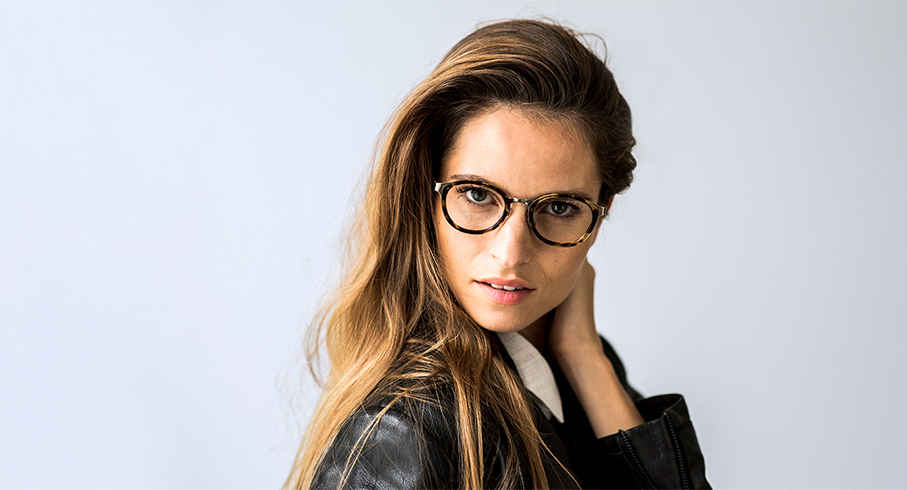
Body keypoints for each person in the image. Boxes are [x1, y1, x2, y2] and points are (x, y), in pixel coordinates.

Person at [284, 19, 710, 489]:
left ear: (601, 210)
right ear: (426, 194)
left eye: (559, 207)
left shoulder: (573, 367)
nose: (511, 253)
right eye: (478, 195)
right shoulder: (401, 433)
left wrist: (585, 356)